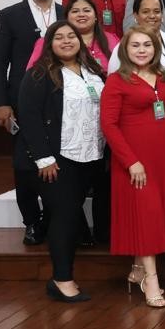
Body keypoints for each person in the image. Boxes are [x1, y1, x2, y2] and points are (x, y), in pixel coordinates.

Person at [17, 21, 104, 303]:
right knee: (64, 217)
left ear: (80, 41)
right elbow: (29, 118)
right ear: (49, 44)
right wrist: (44, 158)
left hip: (89, 157)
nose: (66, 41)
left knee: (68, 215)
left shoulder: (93, 72)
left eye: (71, 36)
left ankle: (63, 275)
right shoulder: (39, 75)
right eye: (59, 38)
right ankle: (62, 279)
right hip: (56, 161)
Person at [100, 26, 165, 309]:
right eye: (135, 45)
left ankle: (136, 271)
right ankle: (151, 279)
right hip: (134, 161)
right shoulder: (116, 81)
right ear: (125, 49)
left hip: (161, 158)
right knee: (145, 216)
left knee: (154, 214)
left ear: (155, 48)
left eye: (147, 44)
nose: (142, 50)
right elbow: (108, 126)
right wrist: (130, 161)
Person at [0, 0, 61, 245]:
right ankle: (31, 221)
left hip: (59, 103)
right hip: (21, 101)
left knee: (57, 161)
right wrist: (0, 102)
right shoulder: (10, 15)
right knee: (24, 164)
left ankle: (52, 220)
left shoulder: (66, 13)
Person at [27, 0, 117, 71]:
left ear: (96, 16)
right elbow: (33, 75)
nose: (81, 15)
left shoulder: (112, 39)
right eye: (75, 11)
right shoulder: (48, 41)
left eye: (87, 10)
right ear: (67, 17)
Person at [108, 0, 165, 81]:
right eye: (145, 12)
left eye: (156, 11)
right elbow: (113, 79)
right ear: (135, 15)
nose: (152, 16)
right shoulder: (124, 46)